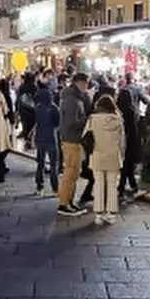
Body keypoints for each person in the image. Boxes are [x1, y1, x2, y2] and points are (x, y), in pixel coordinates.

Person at [83, 94, 125, 225]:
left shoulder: (92, 119)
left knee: (99, 184)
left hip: (97, 155)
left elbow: (85, 137)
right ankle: (111, 214)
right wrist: (121, 155)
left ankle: (98, 214)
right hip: (113, 155)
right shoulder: (118, 120)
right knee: (112, 185)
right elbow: (122, 141)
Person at [56, 73, 91, 217]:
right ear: (79, 83)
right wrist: (86, 120)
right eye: (85, 83)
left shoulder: (75, 98)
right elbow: (71, 124)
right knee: (70, 173)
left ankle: (69, 202)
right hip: (72, 140)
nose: (87, 86)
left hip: (74, 139)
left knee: (74, 173)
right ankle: (64, 204)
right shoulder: (72, 100)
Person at [33, 86, 60, 196]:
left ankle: (40, 187)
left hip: (39, 138)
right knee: (54, 164)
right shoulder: (54, 107)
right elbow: (57, 123)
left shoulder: (38, 108)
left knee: (40, 163)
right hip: (51, 138)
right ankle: (55, 188)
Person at [115, 87, 140, 196]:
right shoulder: (132, 110)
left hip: (121, 139)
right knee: (128, 164)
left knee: (125, 164)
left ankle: (124, 186)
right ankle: (131, 185)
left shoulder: (117, 111)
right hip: (131, 140)